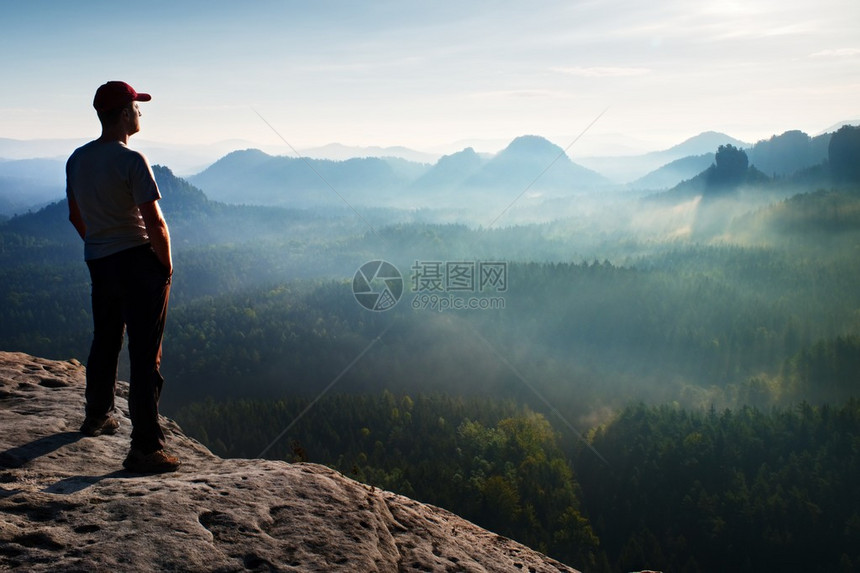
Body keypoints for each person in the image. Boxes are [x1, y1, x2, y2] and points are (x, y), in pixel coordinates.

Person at [66, 81, 179, 473]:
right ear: (124, 113)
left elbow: (75, 216)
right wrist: (164, 265)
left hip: (100, 261)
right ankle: (145, 448)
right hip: (138, 262)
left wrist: (99, 243)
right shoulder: (132, 161)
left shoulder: (77, 159)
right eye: (137, 106)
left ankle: (97, 415)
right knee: (146, 353)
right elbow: (155, 223)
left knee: (106, 339)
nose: (140, 113)